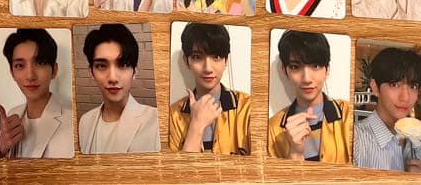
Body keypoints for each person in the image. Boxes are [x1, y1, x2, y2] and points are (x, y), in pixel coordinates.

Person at [267, 30, 352, 162]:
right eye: (295, 67)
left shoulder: (349, 116)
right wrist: (294, 154)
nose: (306, 78)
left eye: (315, 65)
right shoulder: (272, 129)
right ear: (285, 71)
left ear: (327, 70)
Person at [78, 23, 160, 154]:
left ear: (134, 72)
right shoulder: (85, 121)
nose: (112, 78)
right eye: (101, 66)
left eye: (123, 64)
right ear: (91, 72)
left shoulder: (156, 122)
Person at [168, 23, 250, 154]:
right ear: (186, 61)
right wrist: (196, 125)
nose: (207, 68)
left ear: (226, 60)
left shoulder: (247, 108)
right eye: (197, 57)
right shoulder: (173, 115)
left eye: (216, 57)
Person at [0, 29, 72, 159]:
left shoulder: (72, 123)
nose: (30, 76)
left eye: (40, 63)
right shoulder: (12, 115)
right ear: (12, 73)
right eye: (20, 65)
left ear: (54, 70)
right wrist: (1, 148)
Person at [354, 47, 421, 172]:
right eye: (395, 85)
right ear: (375, 87)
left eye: (413, 86)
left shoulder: (417, 142)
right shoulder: (354, 142)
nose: (405, 98)